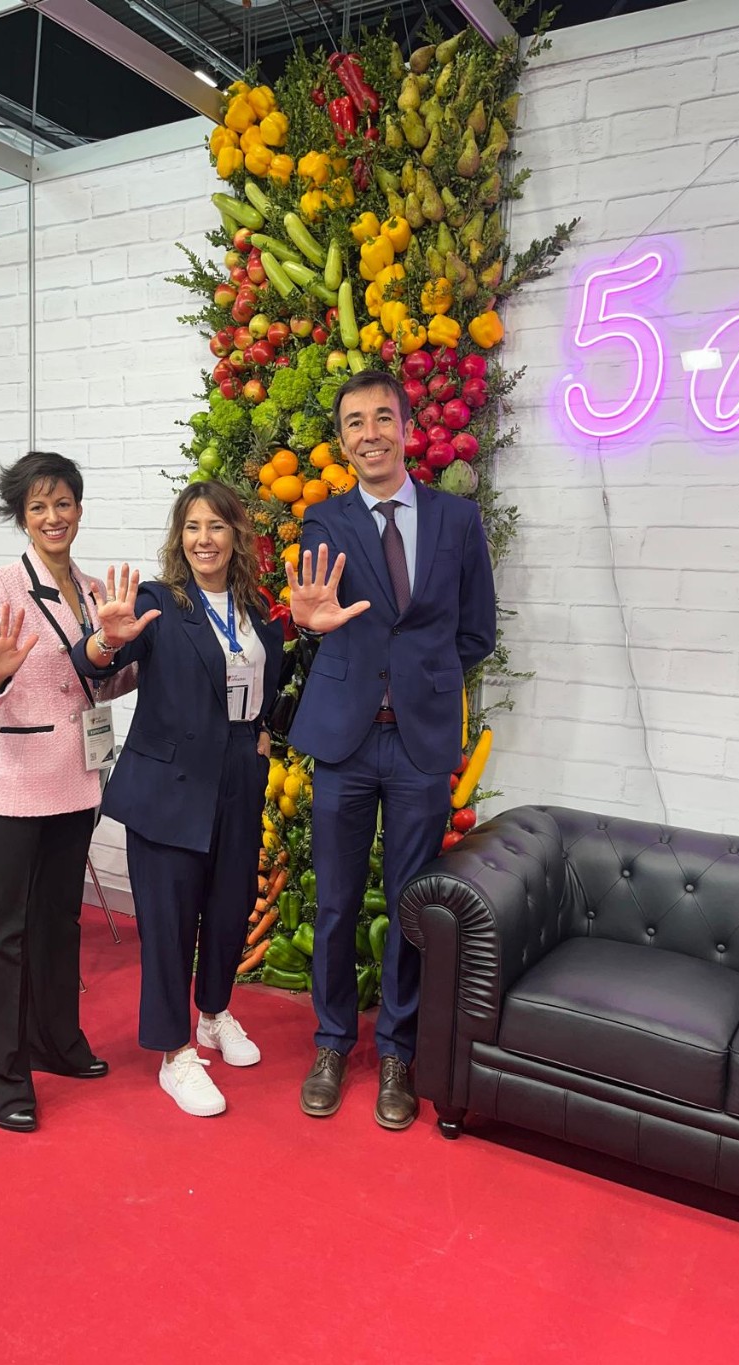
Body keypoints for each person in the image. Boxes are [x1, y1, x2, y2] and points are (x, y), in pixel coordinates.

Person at [287, 370, 497, 1130]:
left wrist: (421, 680)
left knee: (413, 905)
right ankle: (332, 1041)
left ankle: (400, 1050)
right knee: (336, 900)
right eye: (354, 422)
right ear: (342, 440)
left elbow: (477, 632)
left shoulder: (456, 519)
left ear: (407, 428)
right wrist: (307, 624)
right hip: (343, 740)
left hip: (419, 742)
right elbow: (317, 612)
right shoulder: (325, 519)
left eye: (383, 418)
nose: (369, 433)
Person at [73, 481, 284, 1117]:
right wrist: (107, 640)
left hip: (238, 777)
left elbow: (267, 688)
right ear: (179, 537)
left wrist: (264, 733)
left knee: (229, 909)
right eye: (192, 527)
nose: (203, 539)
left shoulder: (258, 612)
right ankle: (174, 1053)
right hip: (169, 787)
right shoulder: (158, 602)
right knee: (169, 925)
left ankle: (214, 1014)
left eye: (216, 526)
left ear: (236, 536)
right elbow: (95, 665)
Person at [0, 451, 138, 1133]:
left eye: (63, 503)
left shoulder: (93, 589)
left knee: (60, 923)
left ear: (80, 510)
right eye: (38, 506)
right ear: (22, 517)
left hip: (76, 781)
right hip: (10, 788)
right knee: (2, 934)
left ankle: (55, 1041)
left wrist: (125, 650)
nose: (53, 516)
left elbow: (100, 683)